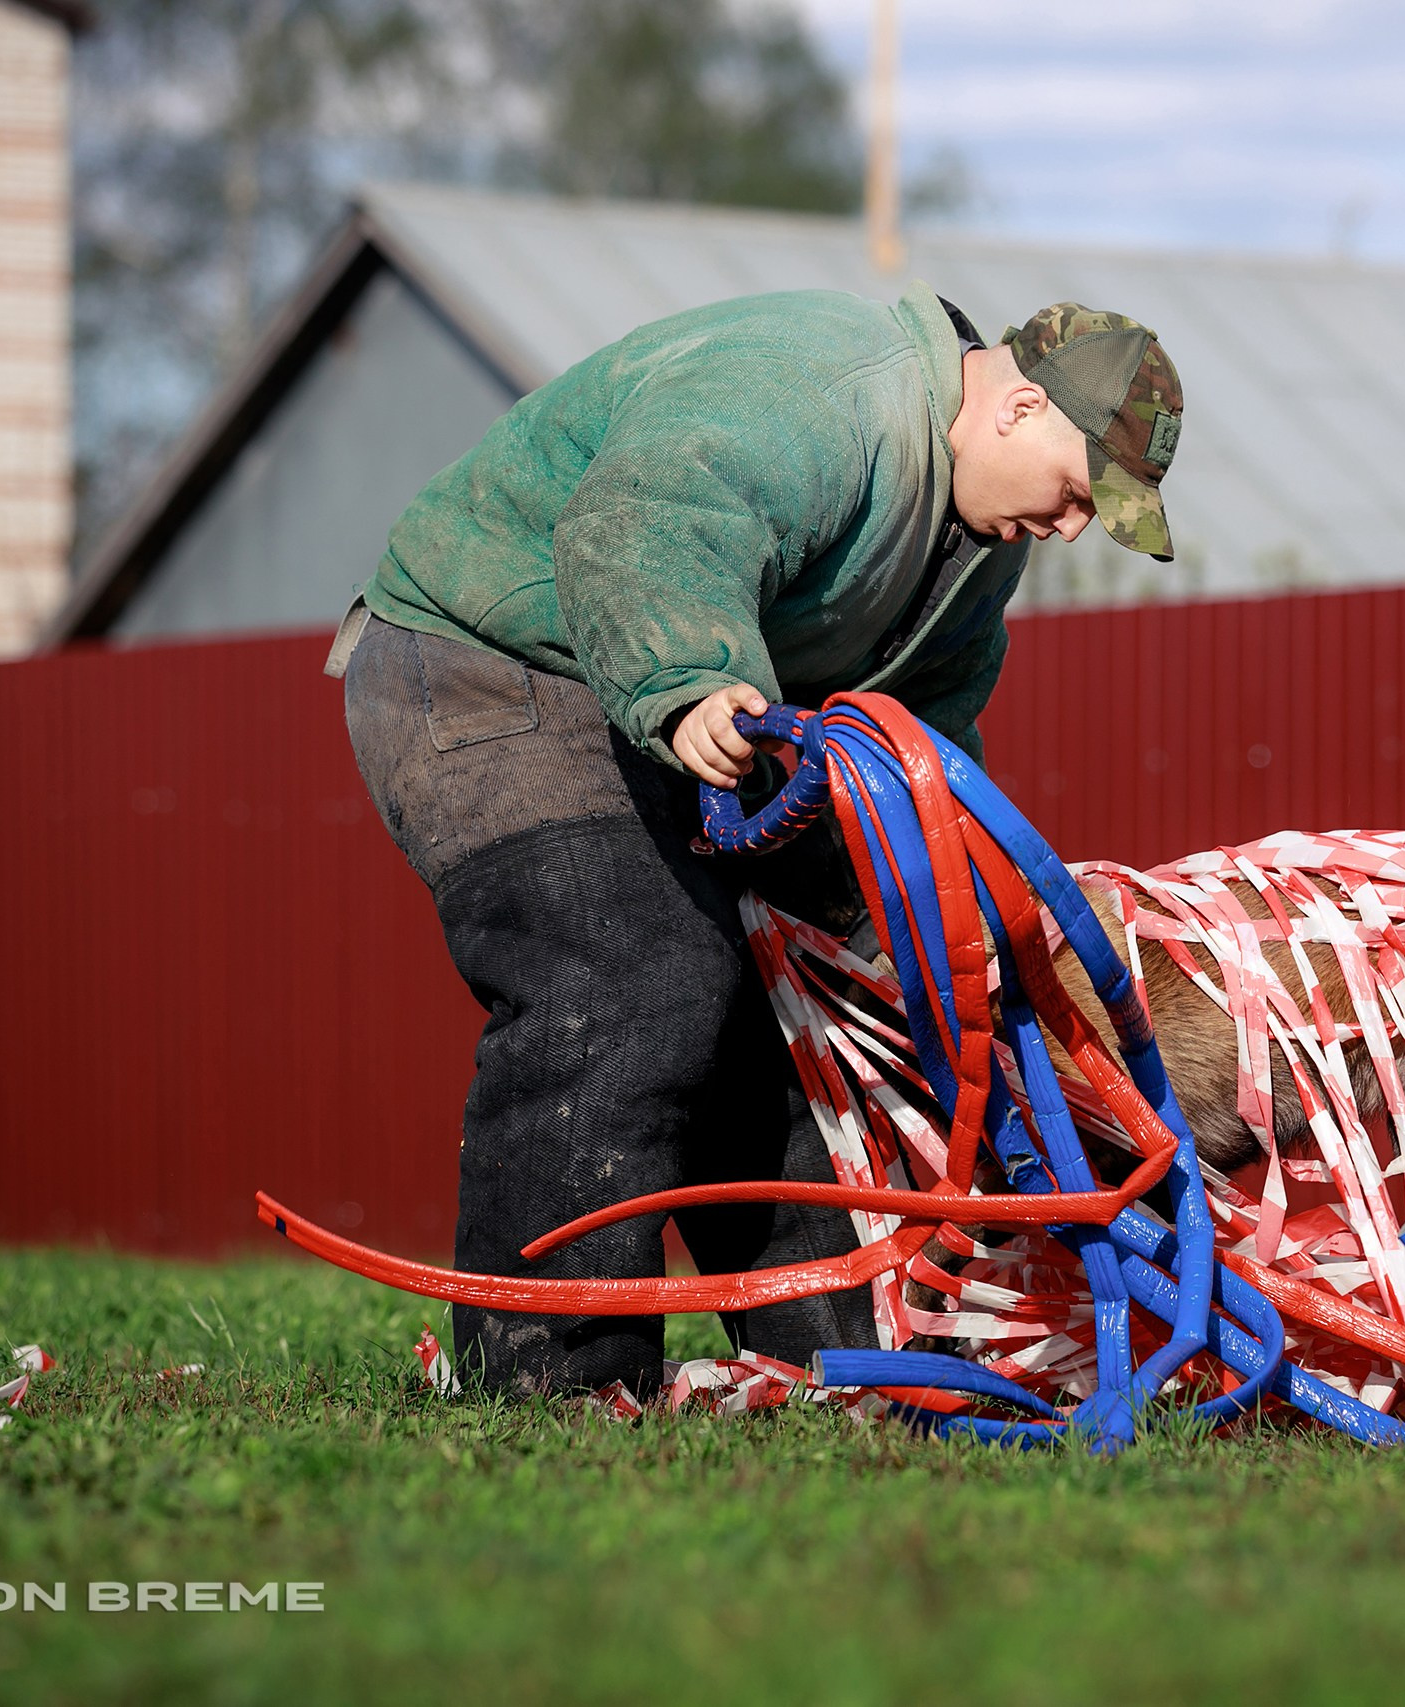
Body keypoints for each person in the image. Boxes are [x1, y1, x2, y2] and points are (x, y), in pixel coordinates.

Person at [326, 283, 1187, 1399]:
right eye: (1078, 491)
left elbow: (922, 727)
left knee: (785, 1014)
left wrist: (906, 902)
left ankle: (826, 1369)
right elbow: (646, 516)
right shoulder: (824, 392)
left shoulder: (981, 536)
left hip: (645, 693)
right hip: (486, 662)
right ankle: (545, 1382)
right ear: (1019, 406)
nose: (1073, 526)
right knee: (632, 974)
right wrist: (685, 679)